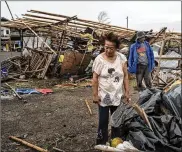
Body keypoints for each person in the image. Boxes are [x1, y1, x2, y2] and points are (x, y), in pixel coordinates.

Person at [92, 32, 130, 145]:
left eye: (111, 48)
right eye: (106, 47)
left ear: (116, 48)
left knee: (116, 121)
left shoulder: (122, 58)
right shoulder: (99, 59)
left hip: (117, 95)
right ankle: (101, 143)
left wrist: (127, 92)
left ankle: (115, 142)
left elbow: (126, 76)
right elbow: (95, 78)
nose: (108, 50)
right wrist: (95, 94)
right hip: (104, 96)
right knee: (103, 121)